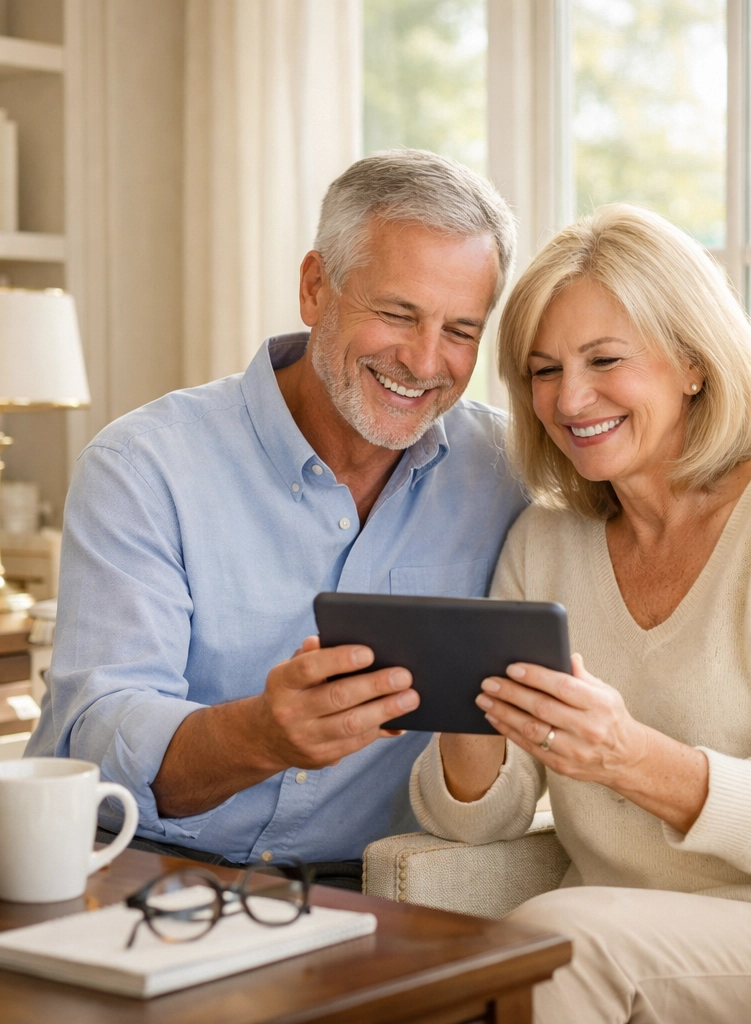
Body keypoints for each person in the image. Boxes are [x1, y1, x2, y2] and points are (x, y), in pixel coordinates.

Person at [411, 204, 751, 1022]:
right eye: (543, 370)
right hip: (631, 924)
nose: (571, 398)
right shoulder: (543, 543)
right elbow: (483, 817)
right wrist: (462, 699)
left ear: (693, 362)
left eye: (605, 359)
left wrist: (628, 756)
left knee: (558, 945)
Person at [26, 150, 527, 884]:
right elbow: (95, 736)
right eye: (397, 314)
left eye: (460, 330)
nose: (425, 363)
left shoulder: (507, 474)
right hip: (136, 868)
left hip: (369, 890)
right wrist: (258, 734)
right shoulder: (144, 466)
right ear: (315, 287)